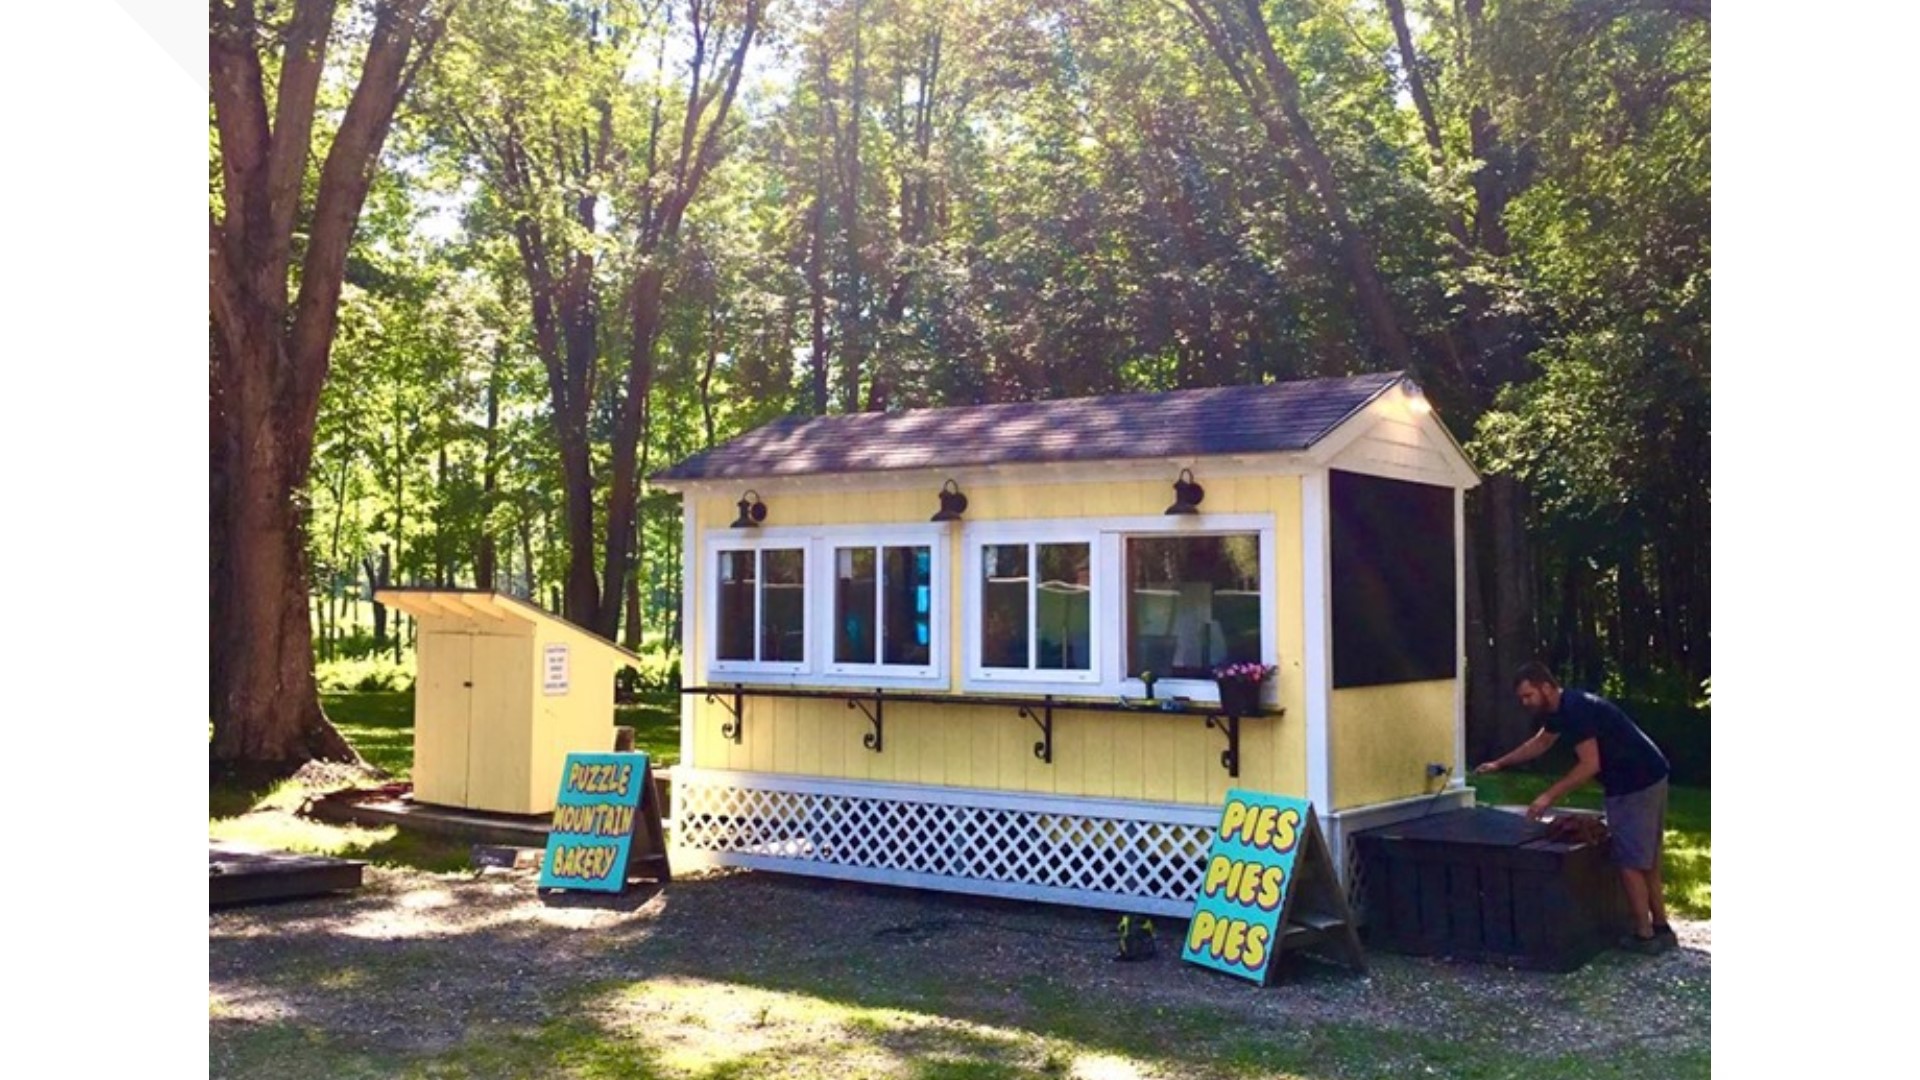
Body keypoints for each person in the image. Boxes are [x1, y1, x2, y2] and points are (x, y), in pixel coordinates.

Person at [1475, 662, 1676, 955]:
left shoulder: (1576, 710)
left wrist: (1548, 796)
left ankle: (1645, 936)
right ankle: (1661, 928)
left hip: (1636, 782)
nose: (1525, 702)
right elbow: (1541, 742)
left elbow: (1589, 765)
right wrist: (1500, 763)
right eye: (1521, 698)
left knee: (1631, 861)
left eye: (1528, 695)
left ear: (1545, 687)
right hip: (1650, 774)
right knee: (1646, 859)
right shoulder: (1560, 710)